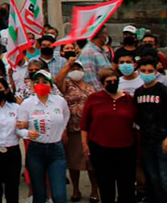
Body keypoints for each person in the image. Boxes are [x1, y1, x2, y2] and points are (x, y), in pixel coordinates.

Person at [81, 68, 137, 203]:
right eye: (108, 81)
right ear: (102, 83)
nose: (112, 83)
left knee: (126, 186)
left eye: (115, 81)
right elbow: (85, 124)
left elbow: (136, 120)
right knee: (105, 184)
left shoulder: (128, 99)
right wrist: (84, 144)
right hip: (100, 148)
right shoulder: (94, 98)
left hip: (126, 148)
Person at [17, 70, 70, 203]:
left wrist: (61, 130)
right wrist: (28, 133)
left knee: (59, 194)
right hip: (36, 150)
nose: (41, 85)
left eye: (45, 82)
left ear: (51, 85)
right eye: (37, 82)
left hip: (56, 150)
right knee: (39, 193)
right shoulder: (27, 104)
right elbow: (19, 129)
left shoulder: (60, 101)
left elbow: (66, 116)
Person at [54, 56, 98, 203]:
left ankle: (94, 190)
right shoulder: (66, 85)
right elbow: (58, 80)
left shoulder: (90, 87)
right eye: (73, 69)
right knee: (73, 162)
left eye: (78, 68)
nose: (75, 71)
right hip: (73, 129)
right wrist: (69, 64)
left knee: (91, 163)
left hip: (90, 129)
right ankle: (76, 189)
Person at [134, 56, 167, 203]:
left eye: (150, 71)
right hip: (146, 141)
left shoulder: (163, 91)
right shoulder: (139, 92)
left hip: (162, 140)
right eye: (143, 71)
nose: (146, 73)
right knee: (152, 177)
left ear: (155, 71)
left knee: (164, 177)